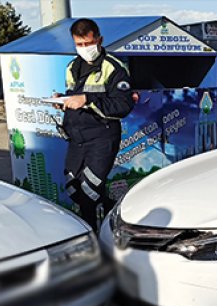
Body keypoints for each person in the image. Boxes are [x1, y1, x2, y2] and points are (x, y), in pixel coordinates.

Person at [57, 18, 138, 230]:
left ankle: (93, 237)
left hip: (102, 137)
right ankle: (110, 213)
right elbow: (73, 96)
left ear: (99, 40)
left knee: (89, 191)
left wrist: (88, 99)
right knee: (73, 188)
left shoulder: (114, 68)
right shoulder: (71, 66)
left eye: (88, 43)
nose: (84, 49)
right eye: (79, 44)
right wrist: (62, 101)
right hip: (77, 138)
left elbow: (123, 105)